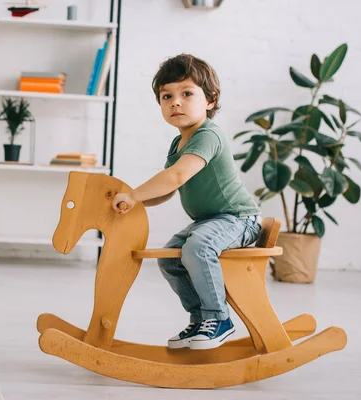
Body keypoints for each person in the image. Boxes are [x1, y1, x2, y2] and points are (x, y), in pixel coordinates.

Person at [111, 54, 262, 350]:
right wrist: (136, 203)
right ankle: (200, 319)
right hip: (211, 222)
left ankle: (218, 318)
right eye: (167, 96)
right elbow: (167, 189)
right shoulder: (178, 142)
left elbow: (176, 176)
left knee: (198, 247)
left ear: (210, 99)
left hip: (238, 219)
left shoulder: (208, 135)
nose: (175, 102)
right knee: (170, 257)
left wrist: (132, 194)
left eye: (187, 93)